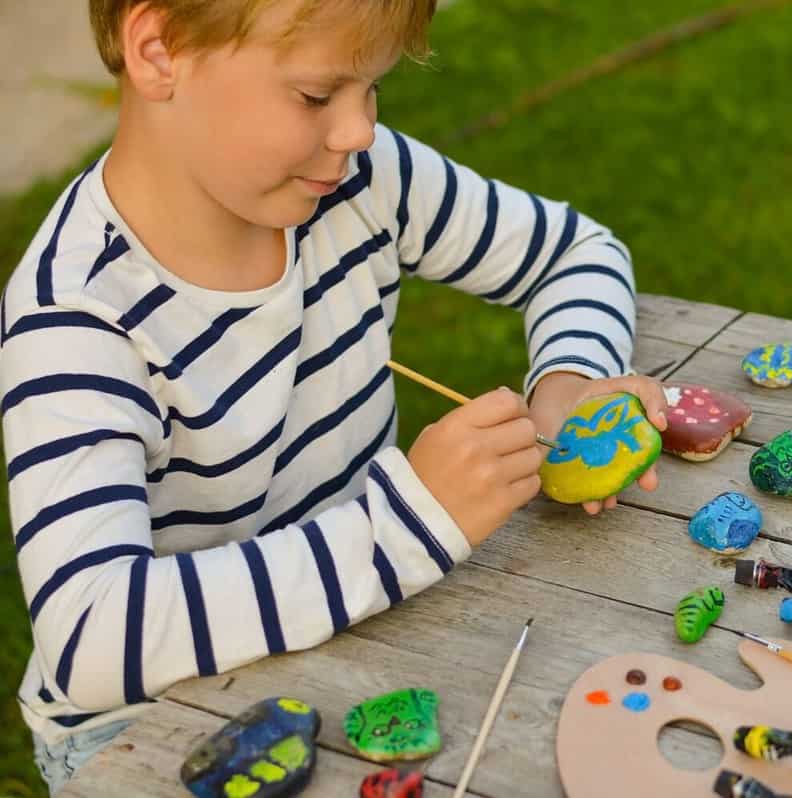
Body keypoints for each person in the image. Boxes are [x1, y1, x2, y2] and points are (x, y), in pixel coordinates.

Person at [1, 0, 666, 791]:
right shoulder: (78, 319)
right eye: (318, 95)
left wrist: (569, 384)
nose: (357, 130)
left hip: (360, 630)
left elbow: (574, 252)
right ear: (160, 51)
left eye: (373, 89)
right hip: (159, 728)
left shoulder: (357, 180)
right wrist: (408, 523)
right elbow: (92, 638)